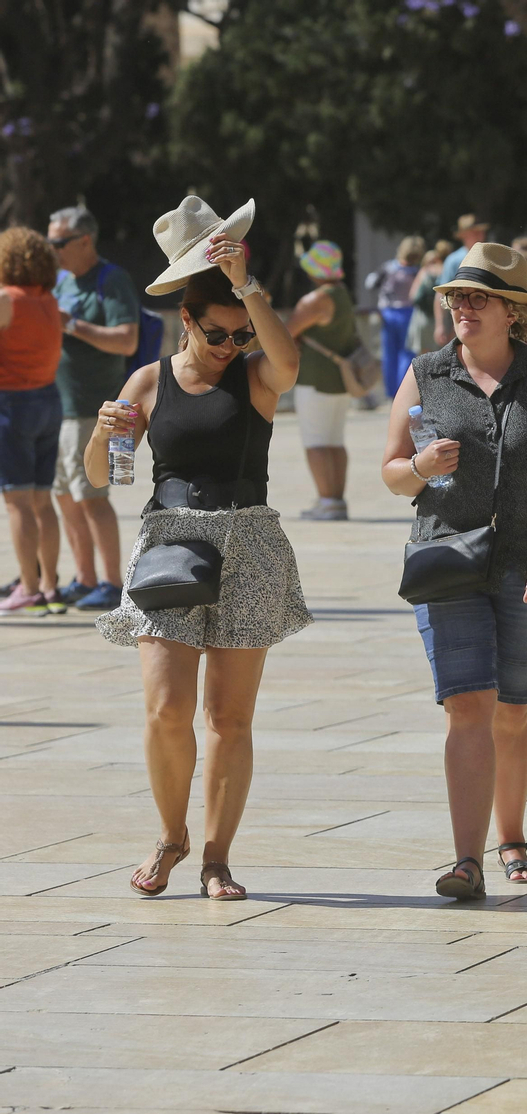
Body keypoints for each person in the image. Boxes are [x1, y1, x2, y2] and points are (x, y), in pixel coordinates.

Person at [90, 194, 311, 900]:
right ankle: (170, 837)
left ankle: (217, 856)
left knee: (230, 717)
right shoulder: (150, 380)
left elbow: (290, 361)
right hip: (170, 543)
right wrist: (103, 431)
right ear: (185, 320)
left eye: (240, 334)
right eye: (218, 333)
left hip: (248, 542)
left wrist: (249, 288)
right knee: (164, 709)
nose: (230, 346)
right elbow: (101, 476)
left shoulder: (257, 374)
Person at [381, 242, 527, 900]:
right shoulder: (425, 374)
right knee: (467, 706)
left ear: (512, 312)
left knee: (512, 710)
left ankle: (513, 834)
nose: (463, 308)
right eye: (456, 298)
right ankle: (466, 860)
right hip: (447, 559)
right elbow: (389, 470)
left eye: (478, 298)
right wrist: (418, 470)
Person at [48, 205, 136, 612]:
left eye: (59, 243)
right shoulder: (63, 281)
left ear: (85, 240)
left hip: (95, 411)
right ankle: (84, 579)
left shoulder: (111, 279)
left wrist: (72, 325)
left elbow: (126, 340)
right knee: (66, 497)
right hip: (62, 410)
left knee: (94, 497)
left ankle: (112, 582)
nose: (53, 250)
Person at [0, 228, 65, 614]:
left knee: (17, 501)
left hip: (12, 403)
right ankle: (50, 586)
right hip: (48, 399)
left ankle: (27, 588)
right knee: (42, 501)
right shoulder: (50, 302)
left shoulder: (6, 299)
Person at [286, 241, 356, 521]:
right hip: (340, 379)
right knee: (335, 442)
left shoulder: (315, 299)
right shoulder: (342, 294)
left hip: (315, 378)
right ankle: (336, 500)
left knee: (316, 442)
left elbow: (285, 332)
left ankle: (327, 501)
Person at [369, 236, 424, 398]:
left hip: (388, 313)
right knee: (406, 353)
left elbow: (369, 283)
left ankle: (391, 392)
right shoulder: (417, 271)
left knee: (389, 354)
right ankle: (403, 391)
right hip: (409, 313)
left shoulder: (389, 268)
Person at [435, 214, 488, 347]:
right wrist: (440, 325)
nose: (480, 235)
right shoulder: (454, 260)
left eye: (481, 231)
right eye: (475, 232)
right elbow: (441, 293)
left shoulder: (490, 257)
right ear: (464, 235)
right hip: (461, 319)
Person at [407, 240, 452, 359]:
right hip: (444, 318)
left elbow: (412, 295)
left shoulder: (425, 270)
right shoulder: (447, 270)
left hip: (423, 319)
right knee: (442, 357)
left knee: (423, 360)